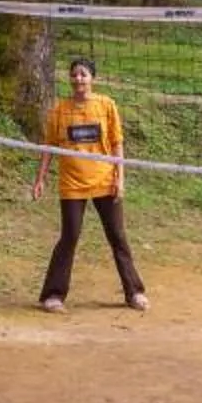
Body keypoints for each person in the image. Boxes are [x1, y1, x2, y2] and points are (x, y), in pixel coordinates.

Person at [31, 55, 148, 312]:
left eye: (83, 74)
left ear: (93, 78)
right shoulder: (59, 110)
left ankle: (134, 292)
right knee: (69, 236)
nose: (78, 79)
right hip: (72, 184)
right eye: (74, 74)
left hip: (105, 181)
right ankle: (53, 295)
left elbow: (117, 143)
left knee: (117, 236)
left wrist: (121, 178)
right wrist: (39, 179)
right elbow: (48, 147)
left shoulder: (106, 105)